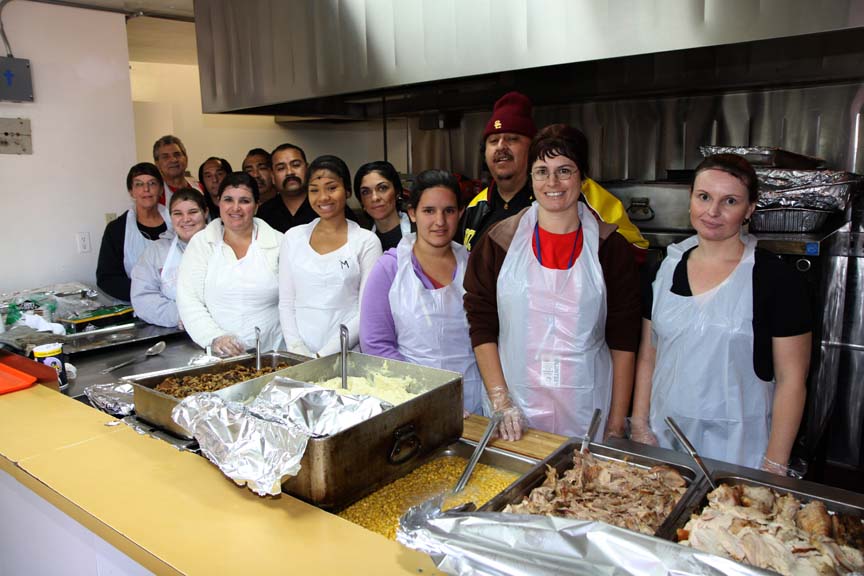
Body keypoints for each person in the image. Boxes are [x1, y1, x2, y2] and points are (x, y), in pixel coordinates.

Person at [630, 154, 812, 473]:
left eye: (730, 201)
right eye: (704, 197)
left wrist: (774, 464)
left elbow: (792, 379)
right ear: (690, 199)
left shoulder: (777, 280)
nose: (713, 212)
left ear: (750, 209)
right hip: (665, 441)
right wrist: (640, 425)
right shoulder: (662, 271)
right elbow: (649, 355)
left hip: (741, 448)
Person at [464, 124, 641, 441]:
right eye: (542, 172)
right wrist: (501, 401)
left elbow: (624, 340)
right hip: (515, 416)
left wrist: (615, 425)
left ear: (583, 178)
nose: (553, 183)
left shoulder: (610, 248)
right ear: (531, 178)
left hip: (588, 414)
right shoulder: (499, 242)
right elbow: (482, 324)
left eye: (564, 171)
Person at [459, 92, 649, 262]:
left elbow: (636, 250)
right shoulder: (476, 206)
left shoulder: (573, 189)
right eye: (493, 141)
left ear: (533, 149)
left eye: (512, 139)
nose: (501, 146)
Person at [360, 169, 484, 415]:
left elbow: (490, 336)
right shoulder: (390, 268)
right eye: (429, 211)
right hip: (411, 401)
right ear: (412, 213)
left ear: (460, 213)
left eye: (449, 211)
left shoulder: (475, 266)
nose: (440, 221)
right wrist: (426, 393)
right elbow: (375, 344)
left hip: (473, 400)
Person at [279, 155, 382, 356]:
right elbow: (286, 303)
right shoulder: (293, 238)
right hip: (299, 355)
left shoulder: (366, 242)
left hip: (346, 355)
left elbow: (366, 311)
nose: (323, 197)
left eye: (331, 188)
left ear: (348, 191)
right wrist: (297, 349)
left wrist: (323, 355)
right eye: (314, 190)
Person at [177, 172, 283, 356]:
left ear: (256, 206)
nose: (235, 208)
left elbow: (293, 302)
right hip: (218, 356)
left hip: (273, 353)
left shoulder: (279, 243)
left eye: (244, 201)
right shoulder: (202, 244)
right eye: (228, 200)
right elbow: (189, 300)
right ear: (218, 203)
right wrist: (215, 337)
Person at [130, 188, 208, 327]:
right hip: (175, 330)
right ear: (170, 217)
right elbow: (143, 298)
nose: (186, 219)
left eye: (193, 212)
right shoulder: (155, 252)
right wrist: (184, 316)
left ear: (205, 213)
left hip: (223, 328)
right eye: (178, 213)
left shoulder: (224, 244)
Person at [97, 163, 173, 302]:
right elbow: (106, 278)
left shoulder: (178, 222)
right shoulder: (116, 229)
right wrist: (145, 293)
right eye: (139, 184)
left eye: (152, 183)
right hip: (134, 305)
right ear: (131, 192)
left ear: (161, 189)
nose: (146, 189)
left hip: (176, 302)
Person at [258, 143, 358, 232]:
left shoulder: (328, 205)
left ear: (307, 169)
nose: (290, 172)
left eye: (296, 165)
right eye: (281, 168)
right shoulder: (265, 212)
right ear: (272, 176)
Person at [354, 161, 412, 251]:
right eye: (366, 192)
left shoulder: (420, 230)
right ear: (361, 201)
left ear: (397, 192)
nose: (375, 198)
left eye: (382, 188)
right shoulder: (360, 241)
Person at [153, 135, 202, 206]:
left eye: (177, 154)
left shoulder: (200, 188)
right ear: (157, 164)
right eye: (165, 157)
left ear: (186, 159)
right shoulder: (154, 195)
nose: (173, 160)